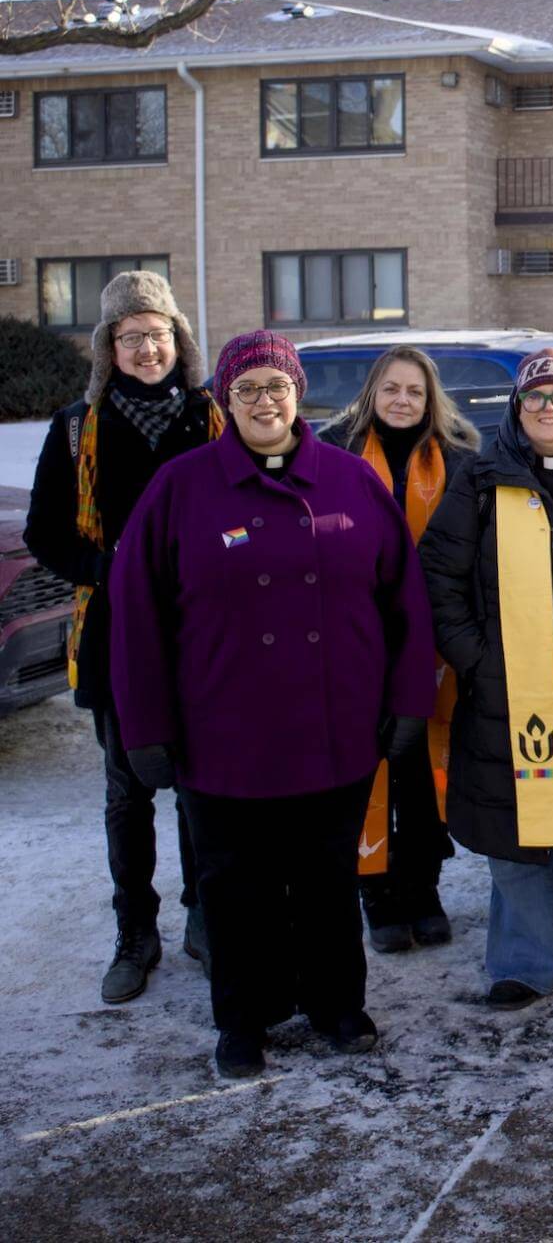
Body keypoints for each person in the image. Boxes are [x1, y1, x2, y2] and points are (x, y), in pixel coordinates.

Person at [110, 331, 436, 1078]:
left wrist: (409, 702)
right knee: (235, 887)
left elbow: (405, 606)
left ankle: (337, 1004)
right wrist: (146, 729)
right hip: (222, 739)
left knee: (327, 879)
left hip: (337, 731)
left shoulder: (353, 484)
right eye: (249, 389)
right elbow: (136, 619)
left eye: (277, 388)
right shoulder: (181, 489)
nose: (265, 402)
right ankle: (242, 1020)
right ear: (226, 401)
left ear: (299, 397)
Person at [419, 350, 553, 1014]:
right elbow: (438, 577)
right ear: (517, 410)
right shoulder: (481, 481)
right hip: (506, 688)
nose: (549, 408)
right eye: (535, 397)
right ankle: (524, 961)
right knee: (516, 833)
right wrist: (477, 659)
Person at [25, 270, 223, 1005]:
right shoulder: (79, 427)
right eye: (132, 336)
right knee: (127, 790)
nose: (148, 348)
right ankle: (135, 932)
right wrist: (109, 569)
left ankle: (204, 916)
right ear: (110, 347)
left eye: (160, 333)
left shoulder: (212, 418)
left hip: (204, 631)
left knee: (203, 784)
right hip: (113, 632)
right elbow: (44, 532)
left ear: (180, 340)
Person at [320, 346, 481, 953]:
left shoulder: (461, 460)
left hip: (434, 635)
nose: (403, 401)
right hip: (358, 637)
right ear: (371, 393)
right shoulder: (333, 453)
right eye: (391, 389)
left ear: (430, 397)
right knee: (370, 761)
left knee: (422, 766)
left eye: (414, 391)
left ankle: (424, 886)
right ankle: (379, 893)